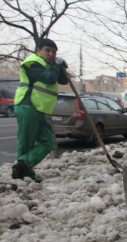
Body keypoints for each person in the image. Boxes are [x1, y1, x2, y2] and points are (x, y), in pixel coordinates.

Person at [12, 38, 68, 181]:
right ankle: (23, 175)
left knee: (48, 142)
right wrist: (56, 65)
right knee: (26, 143)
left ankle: (23, 165)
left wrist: (61, 67)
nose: (51, 54)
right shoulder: (32, 63)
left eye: (54, 52)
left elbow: (63, 81)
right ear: (38, 50)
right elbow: (49, 78)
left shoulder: (49, 65)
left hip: (40, 109)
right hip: (28, 105)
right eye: (47, 51)